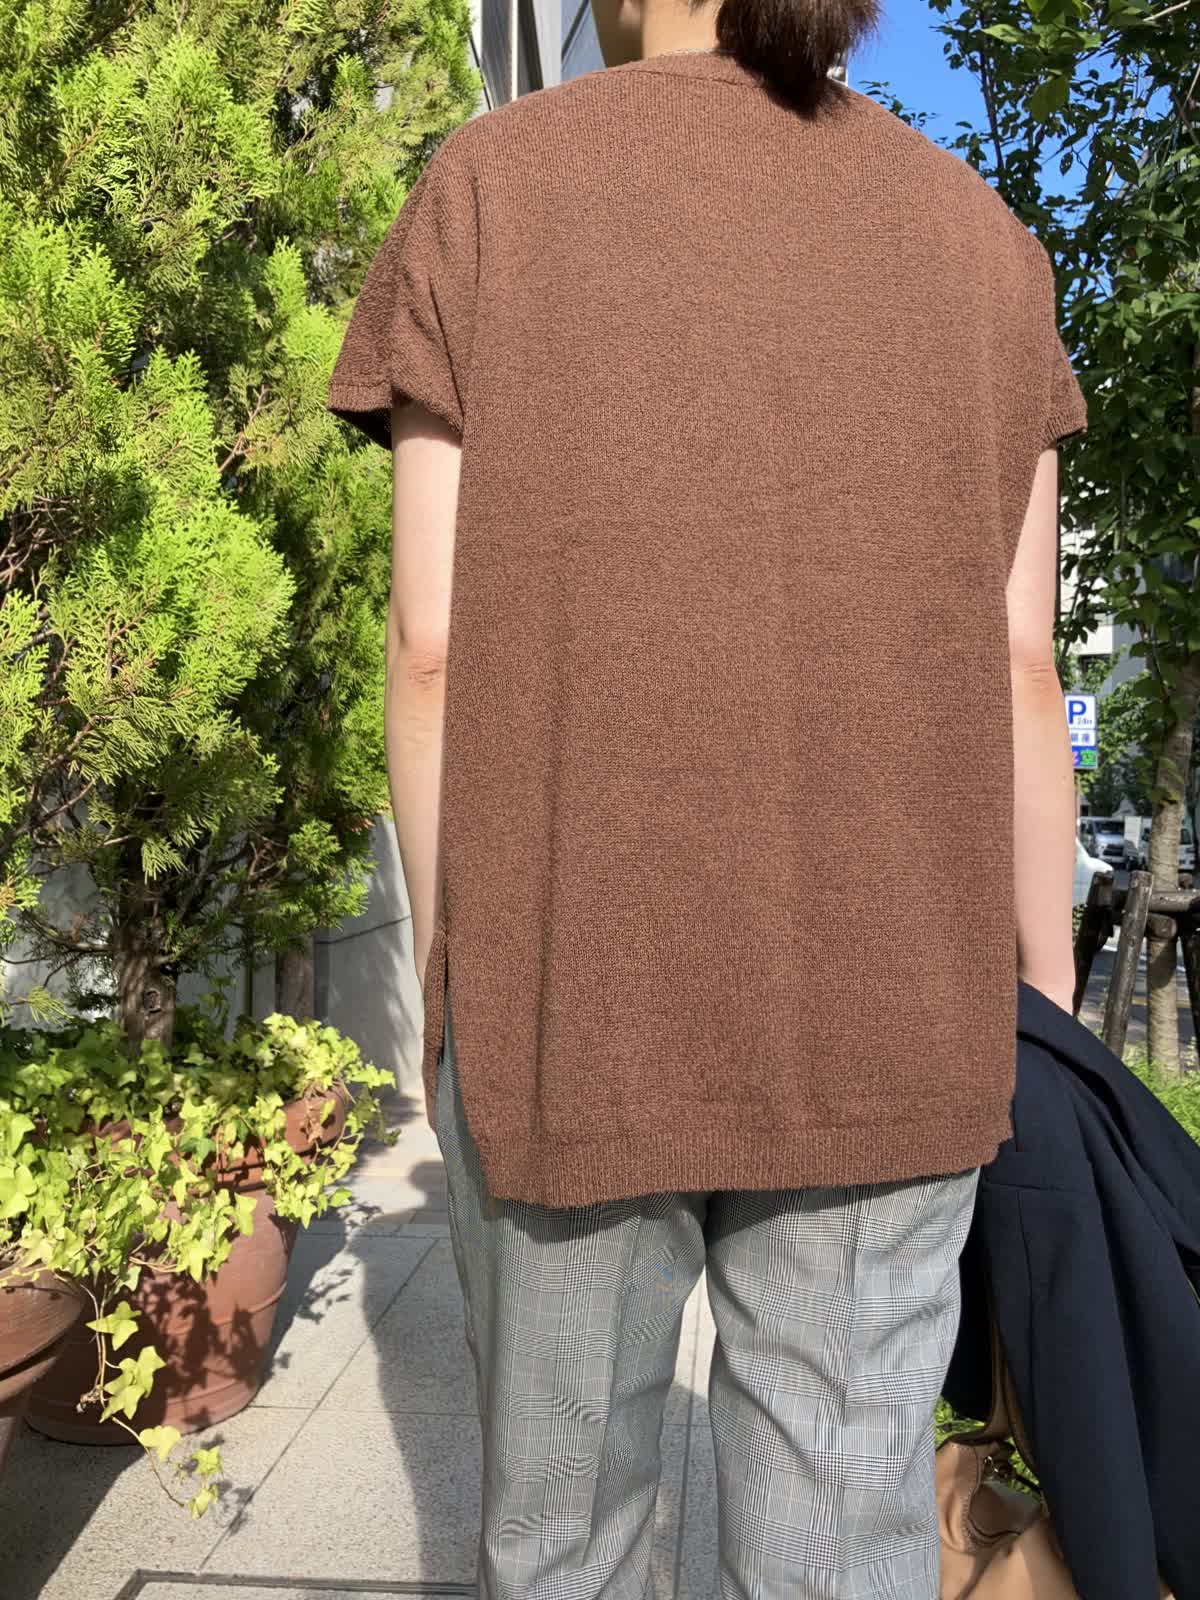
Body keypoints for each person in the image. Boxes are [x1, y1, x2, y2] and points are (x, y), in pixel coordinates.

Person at [325, 0, 1089, 1591]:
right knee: (840, 1526)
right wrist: (1043, 977)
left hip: (576, 993)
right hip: (895, 998)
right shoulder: (984, 244)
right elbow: (1024, 661)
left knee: (561, 1533)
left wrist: (458, 981)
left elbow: (433, 643)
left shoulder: (492, 187)